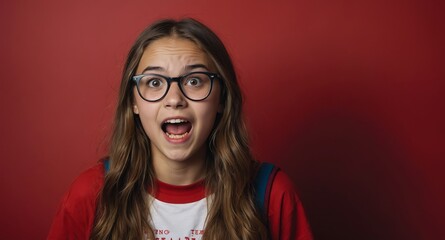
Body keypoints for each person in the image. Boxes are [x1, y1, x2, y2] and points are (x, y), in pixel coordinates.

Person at [48, 18, 313, 240]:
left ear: (222, 98)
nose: (174, 99)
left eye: (194, 80)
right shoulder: (90, 196)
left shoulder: (271, 194)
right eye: (154, 82)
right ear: (133, 102)